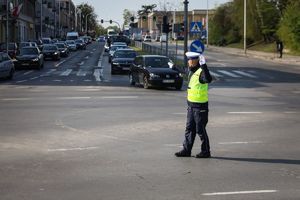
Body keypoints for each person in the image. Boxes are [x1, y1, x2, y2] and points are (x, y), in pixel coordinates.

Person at [175, 51, 212, 158]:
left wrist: (204, 65)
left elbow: (208, 79)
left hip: (200, 107)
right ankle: (186, 150)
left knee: (200, 130)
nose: (188, 62)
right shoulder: (192, 71)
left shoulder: (201, 72)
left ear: (195, 61)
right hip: (191, 106)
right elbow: (184, 71)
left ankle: (205, 151)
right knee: (189, 129)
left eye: (190, 60)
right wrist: (173, 66)